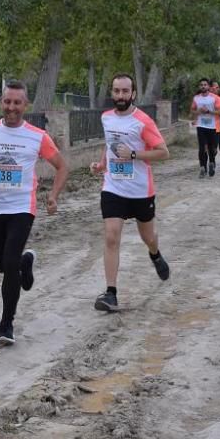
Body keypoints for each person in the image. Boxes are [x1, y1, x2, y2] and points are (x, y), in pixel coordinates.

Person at [0, 80, 69, 346]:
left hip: (22, 207)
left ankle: (6, 326)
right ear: (1, 103)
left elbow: (62, 167)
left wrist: (52, 196)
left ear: (25, 105)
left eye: (17, 102)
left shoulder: (37, 136)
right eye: (8, 102)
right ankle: (25, 262)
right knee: (1, 265)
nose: (12, 107)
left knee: (8, 264)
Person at [89, 74, 171, 312]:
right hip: (113, 188)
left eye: (125, 91)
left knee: (148, 237)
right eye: (116, 91)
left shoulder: (142, 121)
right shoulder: (106, 118)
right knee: (111, 236)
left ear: (133, 94)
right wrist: (102, 164)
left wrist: (134, 155)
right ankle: (111, 293)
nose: (120, 96)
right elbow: (110, 145)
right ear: (112, 93)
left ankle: (155, 254)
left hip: (140, 191)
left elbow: (163, 152)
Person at [189, 78, 220, 177]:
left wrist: (209, 112)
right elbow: (192, 111)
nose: (203, 86)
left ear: (209, 86)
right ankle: (202, 168)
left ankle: (212, 163)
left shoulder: (214, 98)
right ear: (199, 87)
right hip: (201, 125)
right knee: (202, 148)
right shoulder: (196, 98)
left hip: (212, 126)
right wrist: (198, 112)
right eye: (201, 85)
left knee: (212, 148)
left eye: (205, 84)